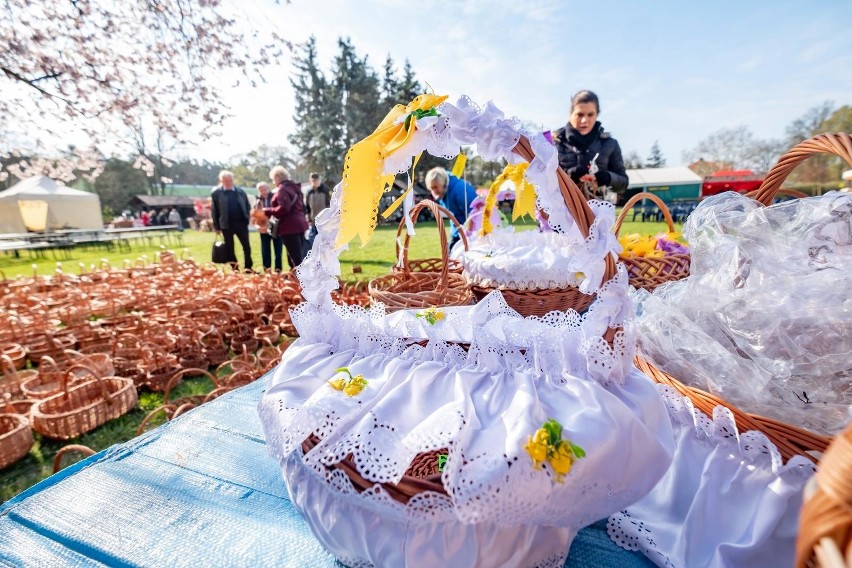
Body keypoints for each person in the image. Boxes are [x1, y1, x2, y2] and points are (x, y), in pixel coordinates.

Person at [552, 90, 628, 199]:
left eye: (590, 115)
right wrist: (567, 175)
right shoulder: (554, 143)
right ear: (570, 114)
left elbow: (623, 184)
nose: (584, 120)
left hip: (598, 211)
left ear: (597, 114)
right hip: (561, 211)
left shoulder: (610, 144)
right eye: (580, 114)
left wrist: (609, 178)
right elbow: (541, 181)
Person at [264, 166, 309, 270]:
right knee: (298, 254)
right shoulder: (296, 188)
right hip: (300, 224)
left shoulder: (282, 190)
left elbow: (284, 208)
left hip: (289, 227)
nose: (274, 182)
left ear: (277, 177)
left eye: (273, 179)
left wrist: (268, 210)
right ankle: (298, 278)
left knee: (296, 257)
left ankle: (302, 282)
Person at [211, 170, 253, 272]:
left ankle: (248, 268)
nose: (228, 182)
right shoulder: (216, 193)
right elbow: (214, 211)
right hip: (226, 225)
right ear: (221, 181)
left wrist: (247, 216)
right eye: (226, 181)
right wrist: (217, 227)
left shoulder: (240, 191)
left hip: (241, 224)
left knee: (246, 247)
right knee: (230, 248)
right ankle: (235, 268)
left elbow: (247, 205)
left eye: (230, 180)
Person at [425, 167, 477, 250]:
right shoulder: (443, 193)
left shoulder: (460, 190)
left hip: (470, 233)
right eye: (432, 188)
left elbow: (474, 213)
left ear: (443, 183)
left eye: (436, 187)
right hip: (457, 231)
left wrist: (470, 234)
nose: (434, 191)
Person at [252, 181, 283, 272]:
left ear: (268, 188)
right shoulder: (257, 199)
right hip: (263, 227)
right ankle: (267, 269)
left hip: (275, 227)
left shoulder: (275, 196)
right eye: (261, 190)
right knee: (265, 250)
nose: (263, 191)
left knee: (278, 250)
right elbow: (255, 213)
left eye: (264, 189)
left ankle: (278, 269)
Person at [304, 172, 331, 249]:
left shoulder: (325, 191)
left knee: (324, 241)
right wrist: (308, 218)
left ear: (319, 180)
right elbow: (307, 207)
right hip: (313, 221)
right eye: (313, 181)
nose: (314, 182)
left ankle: (325, 257)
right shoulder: (309, 192)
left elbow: (330, 205)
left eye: (316, 180)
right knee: (312, 240)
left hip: (324, 220)